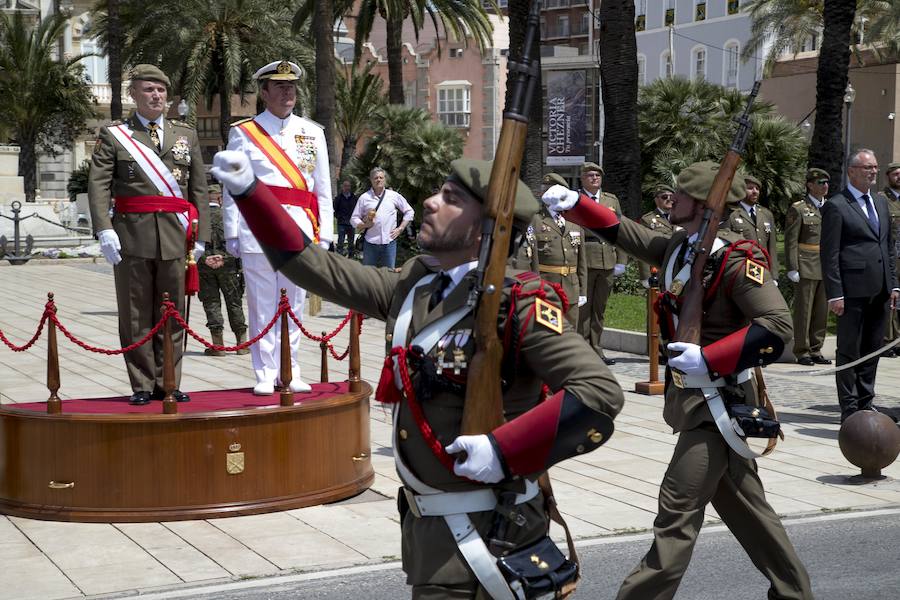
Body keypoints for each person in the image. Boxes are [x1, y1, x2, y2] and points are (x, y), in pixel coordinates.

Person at [212, 151, 624, 599]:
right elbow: (312, 266)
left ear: (489, 227)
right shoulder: (418, 284)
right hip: (432, 541)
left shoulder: (520, 303)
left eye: (450, 198)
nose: (429, 202)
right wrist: (252, 193)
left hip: (495, 536)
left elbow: (599, 391)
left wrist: (502, 451)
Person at [543, 160, 813, 600]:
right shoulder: (681, 248)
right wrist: (578, 206)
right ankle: (795, 592)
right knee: (750, 512)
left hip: (719, 406)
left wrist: (709, 358)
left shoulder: (735, 260)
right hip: (696, 405)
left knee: (676, 514)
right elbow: (628, 234)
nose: (673, 199)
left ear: (703, 207)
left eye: (682, 195)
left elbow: (778, 324)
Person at [89, 64, 209, 406]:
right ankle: (142, 383)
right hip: (132, 236)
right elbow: (98, 185)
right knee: (137, 312)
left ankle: (168, 380)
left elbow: (198, 187)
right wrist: (104, 229)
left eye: (160, 90)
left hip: (175, 236)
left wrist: (201, 236)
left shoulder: (186, 135)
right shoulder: (115, 135)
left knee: (174, 312)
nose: (156, 96)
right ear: (133, 95)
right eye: (148, 90)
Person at [222, 60, 333, 396]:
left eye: (292, 86)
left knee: (294, 302)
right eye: (280, 87)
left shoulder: (313, 132)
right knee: (261, 303)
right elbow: (231, 186)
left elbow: (323, 187)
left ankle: (292, 368)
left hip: (299, 227)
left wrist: (325, 233)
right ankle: (265, 371)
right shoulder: (244, 132)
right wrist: (231, 231)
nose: (288, 92)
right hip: (258, 227)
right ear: (265, 92)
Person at [821, 149, 900, 423]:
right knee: (848, 350)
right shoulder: (837, 205)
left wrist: (894, 285)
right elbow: (829, 254)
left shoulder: (880, 203)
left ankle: (867, 401)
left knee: (873, 348)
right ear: (852, 171)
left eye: (876, 167)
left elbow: (887, 248)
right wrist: (835, 293)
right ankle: (849, 407)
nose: (873, 172)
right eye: (867, 167)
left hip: (879, 290)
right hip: (851, 291)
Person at [515, 172, 587, 324]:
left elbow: (582, 259)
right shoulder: (535, 220)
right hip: (547, 287)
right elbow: (530, 258)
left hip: (572, 288)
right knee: (550, 331)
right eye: (548, 190)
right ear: (542, 194)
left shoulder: (574, 220)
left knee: (572, 332)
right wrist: (533, 288)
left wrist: (582, 290)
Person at [577, 162, 627, 365]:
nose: (595, 178)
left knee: (599, 309)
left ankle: (596, 350)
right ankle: (582, 351)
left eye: (598, 175)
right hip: (585, 258)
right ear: (582, 178)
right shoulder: (577, 200)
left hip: (608, 258)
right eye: (590, 175)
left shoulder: (610, 200)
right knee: (583, 308)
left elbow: (620, 230)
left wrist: (622, 261)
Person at [785, 168, 831, 366]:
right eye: (821, 182)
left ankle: (816, 348)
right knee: (804, 311)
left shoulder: (830, 207)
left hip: (826, 265)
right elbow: (791, 240)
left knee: (822, 310)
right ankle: (802, 350)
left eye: (827, 182)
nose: (825, 186)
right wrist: (792, 267)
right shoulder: (799, 208)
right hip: (806, 264)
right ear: (810, 185)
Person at [198, 184, 249, 357]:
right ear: (220, 199)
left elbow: (190, 241)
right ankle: (242, 343)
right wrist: (223, 258)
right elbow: (240, 240)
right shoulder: (229, 217)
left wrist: (206, 259)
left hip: (205, 267)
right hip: (228, 267)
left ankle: (218, 345)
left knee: (211, 303)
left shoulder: (199, 217)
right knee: (234, 303)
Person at [351, 167, 414, 269]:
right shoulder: (364, 198)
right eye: (375, 178)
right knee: (369, 275)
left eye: (381, 177)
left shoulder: (394, 196)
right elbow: (354, 218)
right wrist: (363, 225)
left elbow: (409, 211)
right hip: (370, 243)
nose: (378, 180)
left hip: (389, 243)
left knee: (389, 275)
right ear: (371, 180)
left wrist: (400, 228)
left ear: (385, 179)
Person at [724, 173, 779, 278]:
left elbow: (772, 248)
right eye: (750, 188)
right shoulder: (731, 213)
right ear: (740, 190)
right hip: (741, 270)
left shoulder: (766, 214)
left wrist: (774, 275)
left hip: (764, 269)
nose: (755, 192)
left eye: (757, 189)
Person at [637, 183, 678, 287]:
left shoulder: (681, 218)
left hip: (679, 267)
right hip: (659, 268)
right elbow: (642, 247)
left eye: (671, 196)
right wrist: (645, 275)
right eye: (664, 197)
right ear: (656, 200)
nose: (669, 199)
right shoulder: (648, 220)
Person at [881, 162, 900, 355]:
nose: (899, 177)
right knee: (891, 299)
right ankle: (888, 341)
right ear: (888, 176)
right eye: (896, 174)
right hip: (891, 256)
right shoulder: (882, 199)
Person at [333, 180, 358, 257]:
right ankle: (339, 256)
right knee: (340, 241)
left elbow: (357, 209)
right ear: (342, 187)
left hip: (351, 223)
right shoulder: (338, 198)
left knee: (351, 241)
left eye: (348, 186)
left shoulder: (354, 198)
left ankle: (351, 256)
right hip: (342, 223)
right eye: (345, 186)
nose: (347, 188)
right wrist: (339, 217)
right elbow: (334, 209)